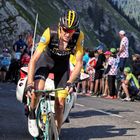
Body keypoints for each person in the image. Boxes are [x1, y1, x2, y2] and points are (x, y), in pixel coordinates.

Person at [26, 10, 84, 137]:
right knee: (38, 89)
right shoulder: (49, 32)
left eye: (72, 30)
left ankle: (56, 132)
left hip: (62, 66)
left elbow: (79, 63)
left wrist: (70, 82)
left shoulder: (79, 36)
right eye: (65, 30)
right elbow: (34, 59)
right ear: (60, 26)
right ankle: (31, 113)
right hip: (46, 62)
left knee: (61, 103)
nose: (68, 34)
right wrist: (30, 84)